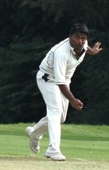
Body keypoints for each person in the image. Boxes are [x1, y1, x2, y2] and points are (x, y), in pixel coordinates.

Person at [26, 22, 102, 161]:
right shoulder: (61, 52)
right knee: (55, 111)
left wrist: (93, 51)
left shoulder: (83, 44)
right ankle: (53, 150)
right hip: (47, 79)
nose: (80, 41)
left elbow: (86, 48)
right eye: (77, 37)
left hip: (64, 81)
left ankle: (34, 133)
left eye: (83, 38)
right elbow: (59, 83)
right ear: (69, 37)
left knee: (61, 118)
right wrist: (73, 100)